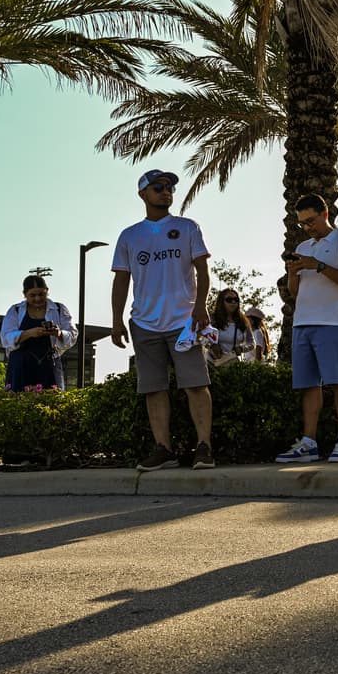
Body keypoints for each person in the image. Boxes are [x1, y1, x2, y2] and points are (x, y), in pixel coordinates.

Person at [110, 169, 214, 471]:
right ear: (143, 193)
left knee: (196, 384)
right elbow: (121, 280)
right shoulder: (129, 235)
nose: (165, 191)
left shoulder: (187, 227)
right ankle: (163, 449)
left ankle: (204, 447)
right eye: (158, 187)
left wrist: (201, 306)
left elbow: (202, 271)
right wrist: (117, 320)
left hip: (184, 321)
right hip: (144, 323)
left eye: (169, 187)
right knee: (153, 388)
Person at [275, 193, 338, 464]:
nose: (307, 227)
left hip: (332, 323)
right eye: (302, 223)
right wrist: (292, 272)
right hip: (303, 322)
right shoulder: (302, 247)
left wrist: (319, 266)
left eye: (310, 221)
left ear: (325, 214)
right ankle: (309, 443)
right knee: (308, 385)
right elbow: (294, 292)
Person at [0, 275, 77, 391]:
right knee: (18, 401)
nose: (37, 299)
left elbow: (72, 334)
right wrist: (29, 333)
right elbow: (5, 337)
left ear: (47, 291)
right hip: (20, 364)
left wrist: (58, 333)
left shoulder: (59, 309)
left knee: (52, 401)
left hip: (48, 363)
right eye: (32, 295)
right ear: (25, 294)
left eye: (41, 294)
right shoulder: (15, 310)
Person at [208, 289, 261, 364]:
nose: (233, 302)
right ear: (221, 302)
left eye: (236, 300)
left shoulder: (243, 321)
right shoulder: (212, 319)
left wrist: (241, 349)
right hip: (211, 362)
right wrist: (212, 345)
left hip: (232, 363)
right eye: (229, 300)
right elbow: (201, 337)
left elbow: (252, 343)